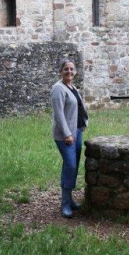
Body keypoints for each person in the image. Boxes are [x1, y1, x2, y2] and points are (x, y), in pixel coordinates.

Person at [50, 58, 88, 218]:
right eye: (66, 69)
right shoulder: (58, 88)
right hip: (65, 135)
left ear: (75, 72)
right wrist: (67, 134)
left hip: (77, 131)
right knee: (70, 165)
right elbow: (58, 114)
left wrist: (84, 122)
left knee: (73, 165)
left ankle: (70, 201)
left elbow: (79, 107)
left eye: (72, 69)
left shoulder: (73, 87)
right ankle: (65, 204)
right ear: (61, 71)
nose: (69, 72)